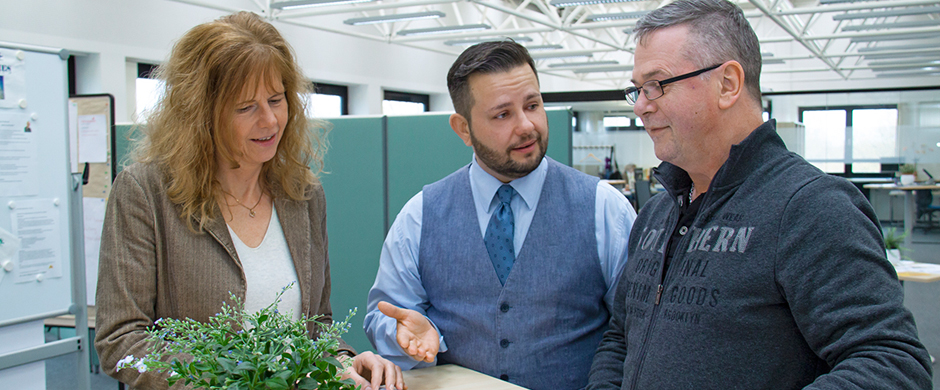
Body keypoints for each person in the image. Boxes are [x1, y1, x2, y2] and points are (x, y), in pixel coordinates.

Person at [586, 0, 933, 388]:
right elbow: (621, 336)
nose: (642, 108)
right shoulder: (656, 213)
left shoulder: (810, 207)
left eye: (657, 85)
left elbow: (893, 362)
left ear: (728, 84)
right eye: (637, 90)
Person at [94, 12, 403, 390]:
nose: (271, 120)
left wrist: (342, 362)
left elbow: (315, 326)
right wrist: (237, 380)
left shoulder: (302, 195)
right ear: (201, 115)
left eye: (277, 100)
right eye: (246, 107)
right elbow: (121, 340)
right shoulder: (145, 192)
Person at [363, 40, 637, 390]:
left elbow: (637, 330)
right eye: (503, 114)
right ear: (463, 129)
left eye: (533, 105)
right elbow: (382, 316)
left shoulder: (604, 209)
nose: (527, 125)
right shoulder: (420, 215)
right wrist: (405, 337)